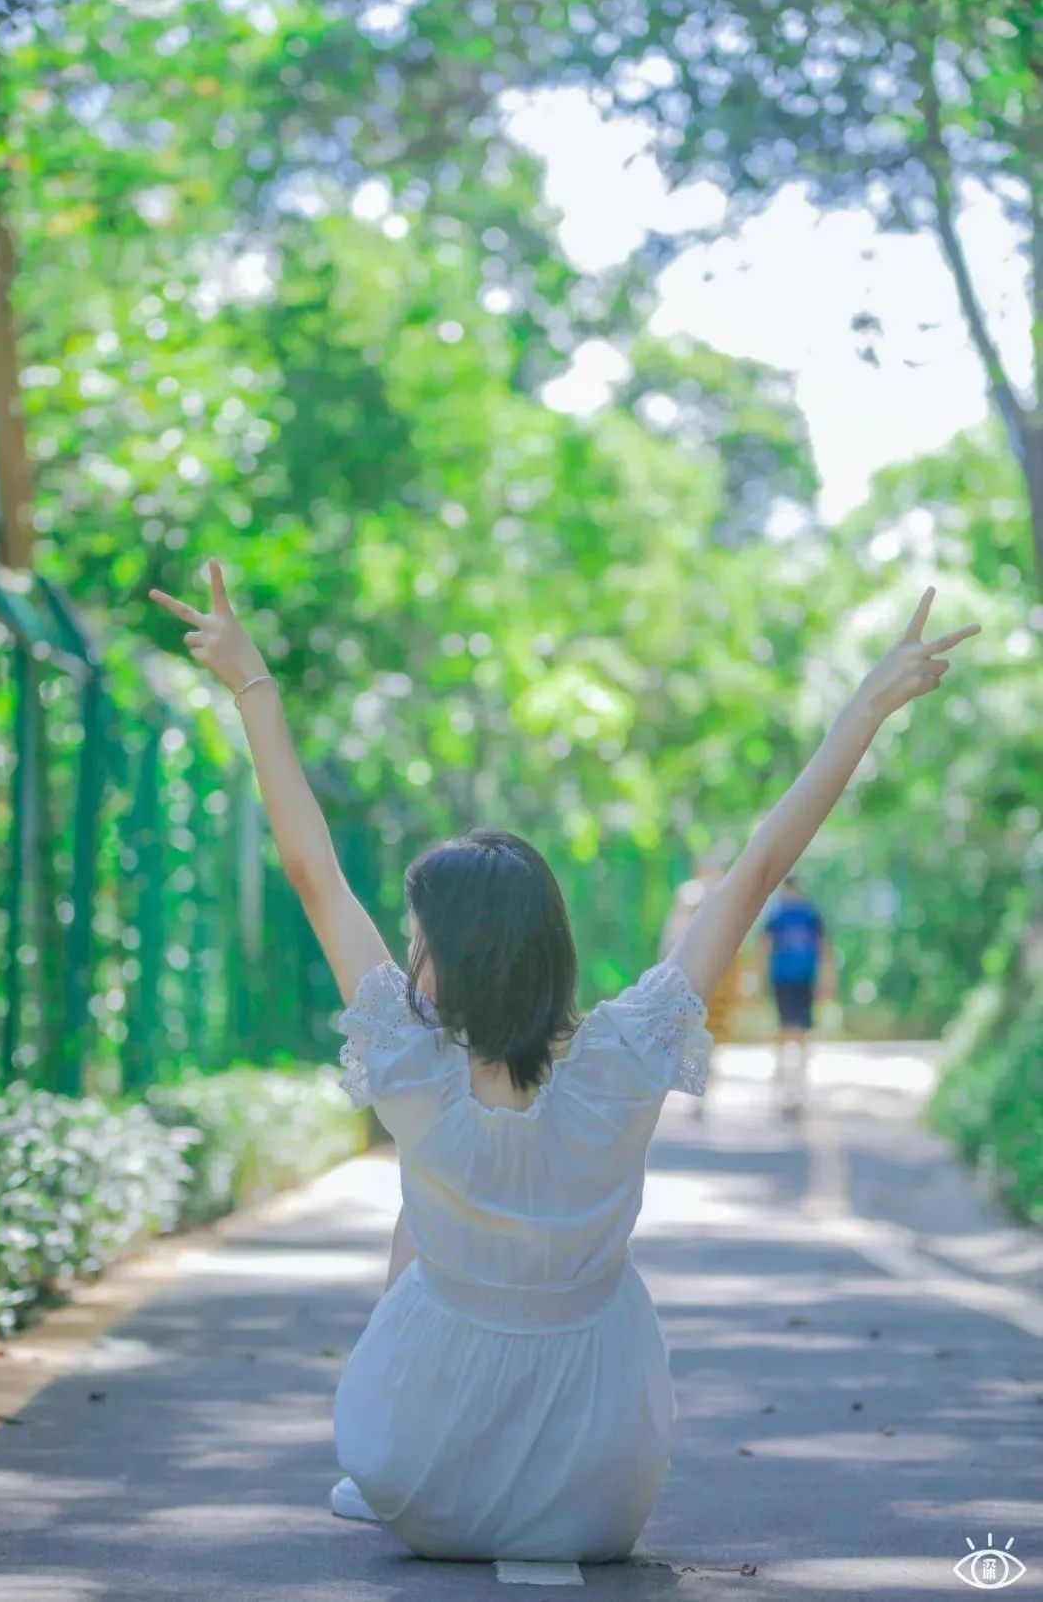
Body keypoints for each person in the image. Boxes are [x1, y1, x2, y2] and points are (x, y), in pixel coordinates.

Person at [150, 567, 978, 1563]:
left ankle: (408, 1450)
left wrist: (254, 686)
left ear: (443, 955)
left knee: (421, 1216)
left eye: (416, 936)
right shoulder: (627, 1056)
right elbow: (756, 869)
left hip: (411, 1481)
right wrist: (866, 707)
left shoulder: (412, 1068)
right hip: (598, 1501)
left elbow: (314, 875)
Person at [659, 866, 742, 1116]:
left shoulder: (711, 896)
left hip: (709, 975)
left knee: (704, 1034)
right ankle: (697, 1089)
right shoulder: (696, 895)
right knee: (700, 1035)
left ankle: (699, 1089)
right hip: (698, 974)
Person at [763, 875, 834, 1118]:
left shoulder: (810, 915)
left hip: (804, 977)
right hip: (782, 977)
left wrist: (827, 980)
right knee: (784, 1027)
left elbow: (824, 947)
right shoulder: (776, 914)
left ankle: (798, 1076)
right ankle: (783, 1072)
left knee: (801, 1028)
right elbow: (766, 945)